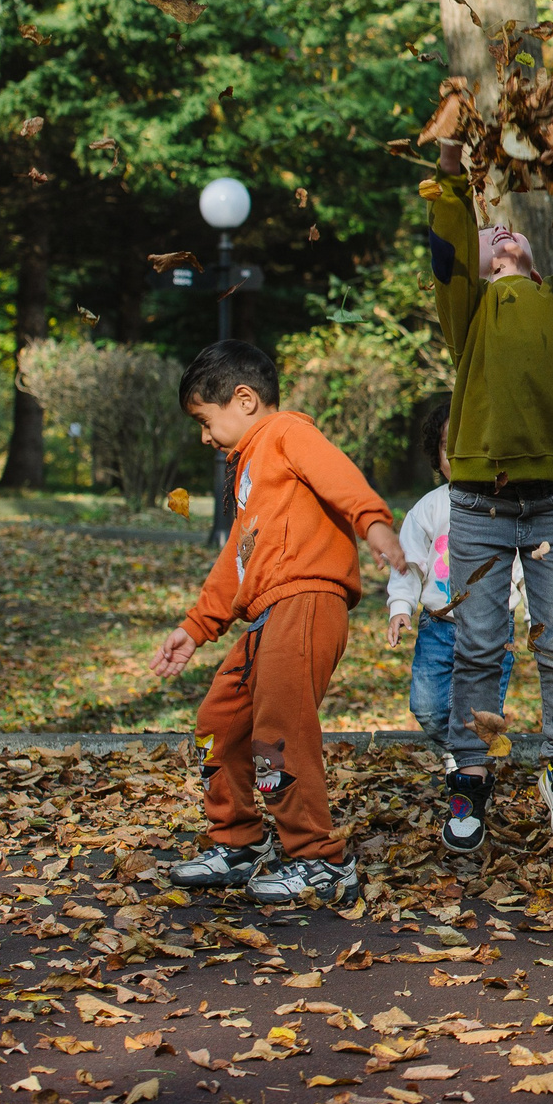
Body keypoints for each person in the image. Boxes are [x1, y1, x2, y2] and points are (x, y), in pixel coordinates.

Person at [157, 340, 408, 905]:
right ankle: (238, 841)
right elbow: (237, 560)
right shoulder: (251, 469)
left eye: (204, 418)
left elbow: (339, 477)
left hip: (306, 601)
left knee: (280, 729)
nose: (202, 435)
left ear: (243, 399)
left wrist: (374, 525)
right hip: (267, 613)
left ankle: (319, 859)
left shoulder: (288, 433)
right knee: (218, 721)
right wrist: (195, 627)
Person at [427, 121, 553, 854]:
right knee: (478, 641)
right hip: (478, 502)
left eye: (514, 233)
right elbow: (446, 253)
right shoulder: (469, 313)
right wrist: (447, 164)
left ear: (537, 260)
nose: (501, 231)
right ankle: (469, 770)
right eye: (489, 233)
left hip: (551, 506)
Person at [382, 397, 518, 770]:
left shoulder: (506, 505)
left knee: (481, 708)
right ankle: (460, 749)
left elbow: (521, 566)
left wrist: (528, 610)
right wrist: (399, 608)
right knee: (426, 706)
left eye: (469, 445)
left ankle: (472, 763)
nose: (458, 455)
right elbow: (407, 563)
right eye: (447, 446)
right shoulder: (428, 508)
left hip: (491, 627)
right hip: (438, 626)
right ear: (435, 454)